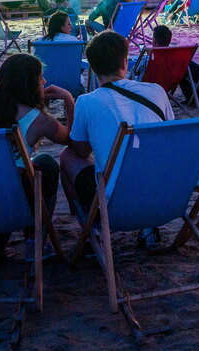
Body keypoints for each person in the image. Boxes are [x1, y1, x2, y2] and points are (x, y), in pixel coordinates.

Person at [63, 31, 174, 248]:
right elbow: (168, 138)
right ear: (125, 62)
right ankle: (149, 229)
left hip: (116, 207)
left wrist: (68, 101)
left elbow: (82, 151)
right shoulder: (157, 91)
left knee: (67, 156)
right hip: (166, 197)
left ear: (93, 69)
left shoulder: (86, 102)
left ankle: (92, 229)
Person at [0, 53, 75, 262]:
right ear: (29, 83)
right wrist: (68, 100)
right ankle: (36, 241)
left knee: (0, 172)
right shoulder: (40, 120)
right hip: (16, 196)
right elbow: (72, 140)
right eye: (40, 77)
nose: (44, 81)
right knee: (46, 164)